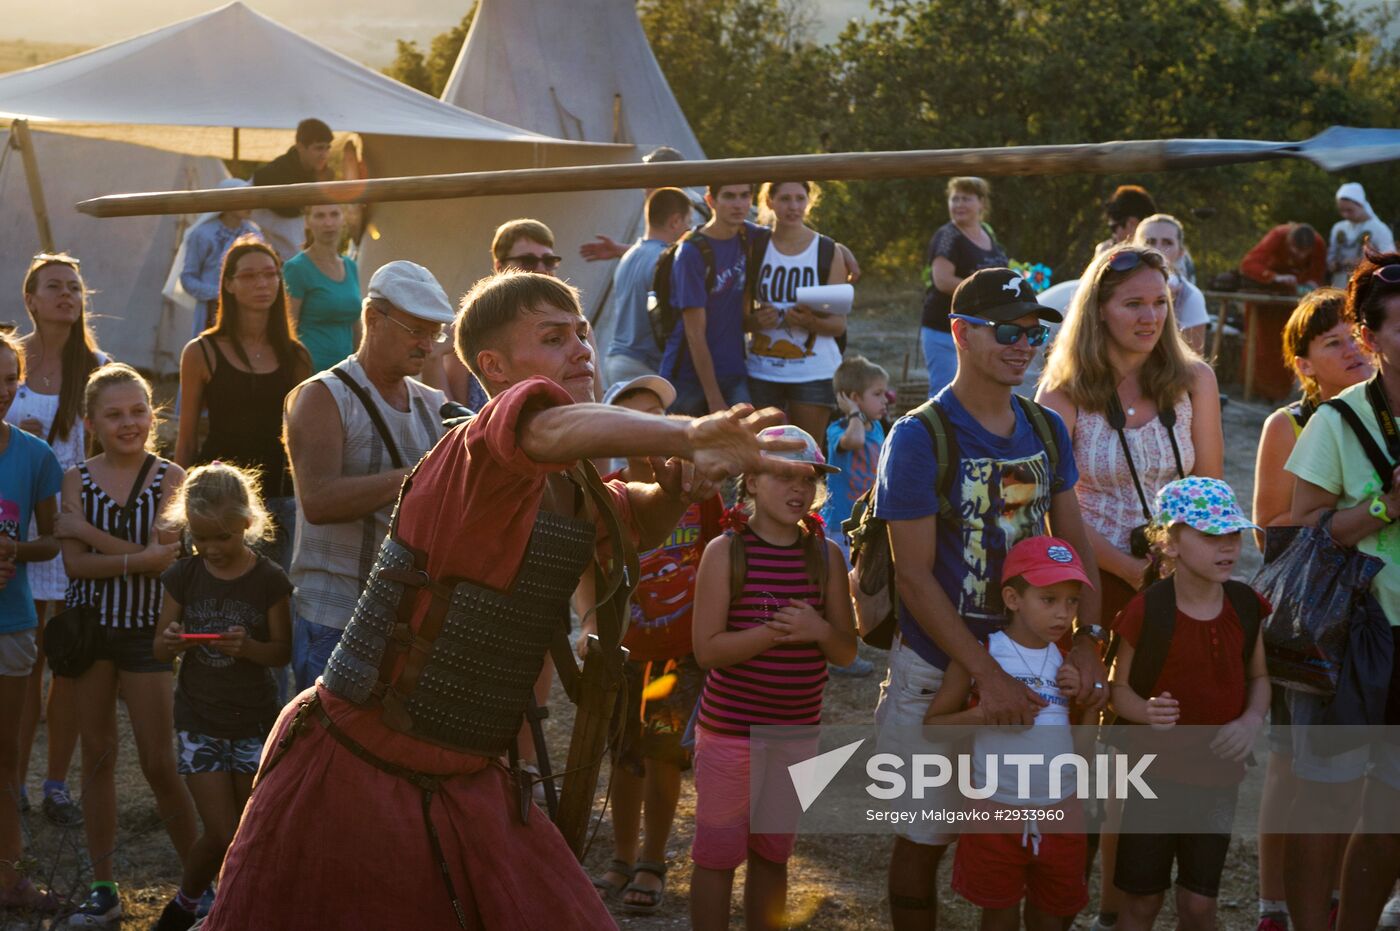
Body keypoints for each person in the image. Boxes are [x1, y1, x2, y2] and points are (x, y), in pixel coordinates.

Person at [200, 271, 808, 930]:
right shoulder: (473, 447)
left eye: (582, 333)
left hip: (470, 775)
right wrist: (686, 433)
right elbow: (544, 429)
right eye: (553, 337)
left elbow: (631, 522)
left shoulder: (577, 483)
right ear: (493, 366)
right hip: (360, 767)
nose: (582, 350)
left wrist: (674, 492)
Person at [874, 267, 1107, 930]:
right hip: (938, 670)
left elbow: (1073, 535)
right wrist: (986, 675)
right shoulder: (919, 437)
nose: (1022, 344)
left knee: (1020, 838)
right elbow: (913, 576)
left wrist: (1089, 641)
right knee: (924, 836)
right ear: (960, 332)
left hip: (1034, 661)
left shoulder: (1046, 427)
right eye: (1007, 330)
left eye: (1032, 332)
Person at [1038, 245, 1223, 931]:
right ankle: (1065, 893)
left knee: (1138, 756)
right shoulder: (1061, 398)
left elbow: (1208, 486)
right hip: (1090, 585)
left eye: (1159, 302)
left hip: (1175, 585)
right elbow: (1059, 511)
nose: (1149, 317)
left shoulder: (1193, 379)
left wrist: (1184, 566)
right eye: (1132, 303)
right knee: (1082, 749)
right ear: (1098, 310)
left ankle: (1117, 908)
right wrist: (1125, 567)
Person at [689, 424, 857, 931]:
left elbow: (846, 651)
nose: (798, 489)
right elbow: (706, 651)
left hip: (795, 734)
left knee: (773, 854)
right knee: (717, 857)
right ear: (752, 482)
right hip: (729, 736)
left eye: (807, 479)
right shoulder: (726, 552)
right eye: (782, 476)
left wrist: (817, 628)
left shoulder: (824, 555)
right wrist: (772, 635)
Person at [1251, 288, 1372, 931]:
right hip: (1311, 618)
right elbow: (1268, 524)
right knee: (1289, 766)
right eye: (1332, 343)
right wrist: (1356, 518)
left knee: (1356, 771)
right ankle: (1275, 904)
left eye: (1355, 337)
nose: (1352, 349)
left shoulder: (1387, 414)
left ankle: (1336, 899)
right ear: (1304, 365)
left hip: (1374, 619)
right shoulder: (1287, 425)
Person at [1286, 250, 1400, 931]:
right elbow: (1301, 530)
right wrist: (1385, 507)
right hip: (1354, 634)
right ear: (1369, 338)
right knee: (1325, 803)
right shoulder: (1337, 422)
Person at [57, 364, 195, 927]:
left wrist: (90, 535)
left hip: (145, 636)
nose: (128, 423)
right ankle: (104, 886)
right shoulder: (76, 479)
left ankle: (202, 881)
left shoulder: (170, 477)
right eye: (114, 415)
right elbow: (73, 564)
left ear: (152, 413)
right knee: (97, 756)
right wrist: (133, 557)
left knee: (160, 763)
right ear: (92, 423)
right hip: (89, 633)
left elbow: (164, 559)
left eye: (138, 410)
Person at [1108, 477, 1271, 931]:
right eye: (1210, 535)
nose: (1227, 547)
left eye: (1232, 534)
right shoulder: (1148, 610)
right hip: (1152, 780)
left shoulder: (1247, 605)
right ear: (1172, 544)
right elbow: (1117, 689)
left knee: (1199, 908)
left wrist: (1251, 720)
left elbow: (1259, 678)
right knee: (1141, 903)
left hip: (1217, 781)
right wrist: (1144, 711)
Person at [587, 373, 722, 914]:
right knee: (624, 757)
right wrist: (587, 626)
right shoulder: (606, 493)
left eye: (657, 417)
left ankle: (653, 858)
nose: (649, 429)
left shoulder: (696, 491)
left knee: (664, 757)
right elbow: (588, 569)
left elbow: (716, 558)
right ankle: (620, 856)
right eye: (634, 418)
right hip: (625, 651)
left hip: (677, 653)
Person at [283, 261, 450, 691]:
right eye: (416, 330)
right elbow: (318, 502)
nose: (427, 345)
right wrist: (419, 476)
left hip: (404, 622)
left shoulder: (435, 405)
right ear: (373, 319)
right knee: (329, 753)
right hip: (335, 617)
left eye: (435, 333)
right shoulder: (322, 396)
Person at [925, 536, 1096, 931]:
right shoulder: (981, 653)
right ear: (1013, 598)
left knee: (1053, 914)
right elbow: (934, 729)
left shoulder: (1070, 659)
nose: (1063, 614)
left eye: (1072, 602)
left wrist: (1089, 706)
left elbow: (1082, 754)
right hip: (994, 811)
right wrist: (984, 715)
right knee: (998, 913)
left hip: (1061, 810)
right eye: (1049, 600)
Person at [150, 463, 292, 931]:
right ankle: (222, 912)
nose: (211, 550)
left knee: (242, 833)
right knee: (224, 831)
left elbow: (282, 652)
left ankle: (187, 903)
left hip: (253, 721)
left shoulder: (269, 579)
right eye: (200, 539)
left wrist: (247, 648)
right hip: (199, 719)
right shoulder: (184, 575)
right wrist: (171, 641)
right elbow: (158, 644)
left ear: (247, 525)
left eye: (222, 538)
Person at [8, 252, 105, 827]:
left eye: (74, 286)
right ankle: (11, 778)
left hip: (72, 531)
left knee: (66, 660)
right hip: (18, 533)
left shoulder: (96, 367)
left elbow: (113, 450)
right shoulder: (8, 366)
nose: (67, 294)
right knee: (23, 665)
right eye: (54, 286)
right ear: (32, 300)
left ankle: (55, 784)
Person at [175, 237, 312, 572]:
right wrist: (176, 506)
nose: (262, 283)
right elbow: (187, 437)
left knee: (273, 598)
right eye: (249, 276)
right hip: (216, 499)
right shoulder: (201, 352)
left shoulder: (296, 357)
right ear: (229, 284)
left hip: (280, 496)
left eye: (270, 274)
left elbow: (303, 438)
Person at [0, 331, 64, 914]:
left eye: (6, 379)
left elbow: (53, 541)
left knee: (5, 761)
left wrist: (14, 552)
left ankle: (11, 882)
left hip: (12, 624)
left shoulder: (35, 457)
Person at [746, 181, 850, 442]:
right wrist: (754, 321)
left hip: (813, 372)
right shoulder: (755, 248)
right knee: (762, 456)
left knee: (808, 454)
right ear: (769, 201)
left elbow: (839, 324)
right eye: (784, 199)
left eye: (799, 199)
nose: (793, 207)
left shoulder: (827, 251)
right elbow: (737, 318)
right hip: (762, 370)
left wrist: (810, 321)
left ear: (809, 201)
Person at [662, 183, 764, 415]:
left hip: (733, 369)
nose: (738, 204)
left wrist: (838, 250)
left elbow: (789, 236)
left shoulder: (748, 235)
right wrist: (714, 398)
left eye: (744, 196)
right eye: (729, 196)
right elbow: (694, 333)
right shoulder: (691, 252)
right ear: (711, 201)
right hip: (687, 378)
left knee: (745, 445)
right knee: (680, 450)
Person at [920, 177, 1010, 398]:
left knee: (980, 392)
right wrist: (988, 294)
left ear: (981, 203)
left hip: (983, 331)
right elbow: (942, 280)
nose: (958, 204)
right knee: (947, 392)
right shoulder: (947, 236)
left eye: (966, 199)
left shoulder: (987, 234)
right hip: (944, 330)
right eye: (954, 199)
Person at [604, 187, 693, 385]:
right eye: (688, 223)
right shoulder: (666, 262)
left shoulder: (629, 255)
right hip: (643, 367)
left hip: (616, 361)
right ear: (675, 221)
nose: (689, 231)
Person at [822, 354, 890, 564]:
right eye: (877, 394)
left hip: (867, 520)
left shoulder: (878, 427)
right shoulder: (837, 430)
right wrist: (853, 413)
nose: (885, 400)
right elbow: (856, 441)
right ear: (854, 398)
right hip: (840, 524)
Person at [283, 203, 362, 373]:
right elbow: (288, 327)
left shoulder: (351, 266)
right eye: (320, 216)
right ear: (307, 222)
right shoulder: (297, 268)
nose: (328, 223)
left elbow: (356, 326)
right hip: (311, 370)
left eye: (334, 214)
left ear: (344, 219)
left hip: (348, 371)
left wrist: (362, 368)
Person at [177, 182, 261, 338]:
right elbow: (187, 277)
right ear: (227, 201)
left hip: (245, 309)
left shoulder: (254, 233)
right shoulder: (203, 234)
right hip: (211, 311)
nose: (250, 204)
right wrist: (217, 293)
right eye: (243, 199)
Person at [250, 118, 334, 260]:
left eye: (327, 148)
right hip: (269, 246)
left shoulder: (322, 175)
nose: (324, 155)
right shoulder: (271, 174)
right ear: (300, 146)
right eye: (319, 148)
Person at [1132, 213, 1211, 353]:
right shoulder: (1116, 286)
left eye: (1167, 242)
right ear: (1134, 247)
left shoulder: (1190, 296)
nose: (1157, 249)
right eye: (1149, 241)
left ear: (1180, 252)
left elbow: (1195, 362)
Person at [1328, 183, 1396, 289]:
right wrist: (1333, 264)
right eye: (1342, 210)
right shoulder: (1338, 228)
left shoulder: (1379, 229)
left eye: (1349, 210)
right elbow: (1330, 257)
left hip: (1365, 286)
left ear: (1360, 204)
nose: (1345, 215)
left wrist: (1363, 262)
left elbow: (1390, 259)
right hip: (1339, 286)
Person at [1242, 223, 1327, 293]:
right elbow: (1248, 264)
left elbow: (1318, 274)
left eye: (1305, 252)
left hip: (1297, 293)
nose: (1301, 256)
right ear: (1289, 241)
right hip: (1269, 288)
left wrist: (1311, 284)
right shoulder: (1277, 235)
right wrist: (1275, 277)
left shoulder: (1318, 243)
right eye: (1297, 251)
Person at [1095, 185, 1157, 256]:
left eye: (1113, 228)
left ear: (1131, 223)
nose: (1113, 235)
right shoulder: (1163, 251)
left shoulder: (1108, 252)